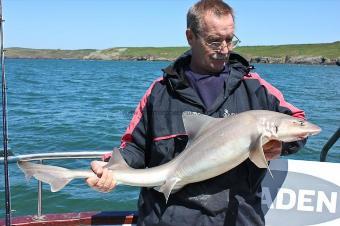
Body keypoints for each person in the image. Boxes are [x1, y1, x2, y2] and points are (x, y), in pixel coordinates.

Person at [86, 0, 306, 225]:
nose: (225, 49)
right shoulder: (160, 92)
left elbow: (299, 123)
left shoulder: (253, 87)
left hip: (235, 218)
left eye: (230, 40)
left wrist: (280, 144)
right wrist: (109, 167)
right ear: (190, 37)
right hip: (168, 217)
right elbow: (134, 147)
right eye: (214, 41)